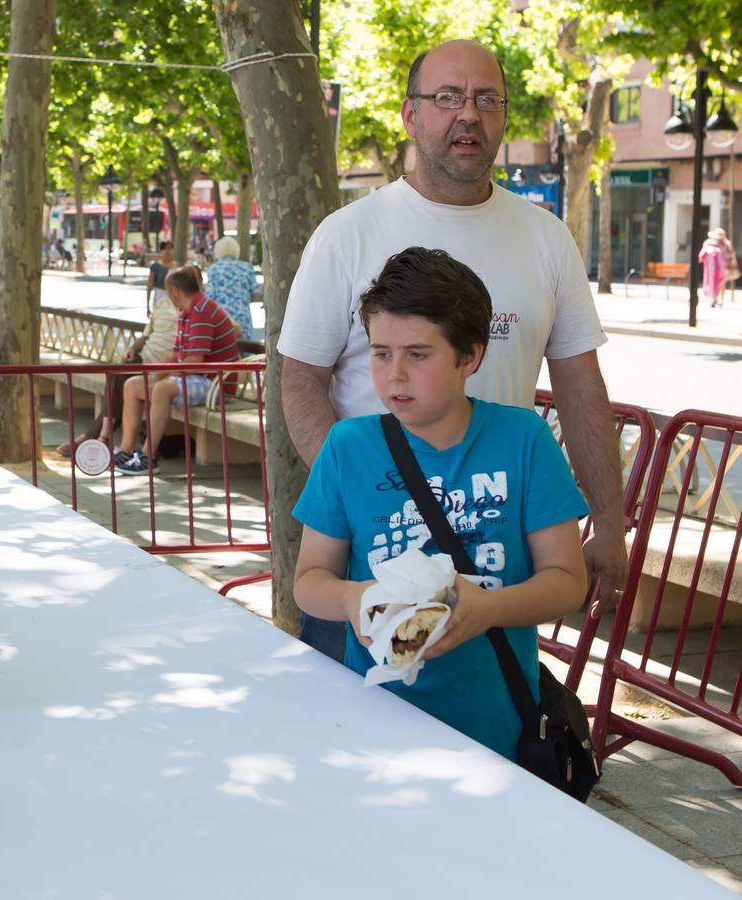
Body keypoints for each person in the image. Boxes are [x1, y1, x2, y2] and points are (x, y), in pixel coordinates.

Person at [278, 39, 623, 662]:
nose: (468, 114)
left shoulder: (547, 238)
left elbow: (581, 386)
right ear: (410, 115)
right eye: (446, 98)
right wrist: (355, 501)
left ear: (504, 116)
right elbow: (300, 380)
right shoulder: (347, 234)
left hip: (496, 560)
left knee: (483, 726)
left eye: (486, 99)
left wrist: (608, 520)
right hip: (367, 562)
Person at [292, 246, 588, 760]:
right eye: (380, 353)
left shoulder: (524, 440)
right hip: (372, 725)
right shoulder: (347, 446)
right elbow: (309, 581)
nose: (394, 375)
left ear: (469, 355)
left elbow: (567, 582)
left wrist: (488, 608)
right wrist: (351, 600)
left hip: (495, 730)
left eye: (418, 354)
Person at [114, 266, 240, 475]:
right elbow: (176, 355)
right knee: (132, 385)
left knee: (162, 389)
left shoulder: (202, 311)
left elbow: (194, 361)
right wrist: (158, 375)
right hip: (195, 377)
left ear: (175, 291)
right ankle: (126, 450)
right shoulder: (186, 313)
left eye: (166, 290)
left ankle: (148, 457)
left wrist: (162, 378)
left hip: (215, 384)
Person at [57, 257, 180, 457]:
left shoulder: (193, 310)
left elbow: (232, 329)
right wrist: (132, 349)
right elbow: (146, 335)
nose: (169, 292)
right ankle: (100, 439)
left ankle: (97, 439)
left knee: (120, 378)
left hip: (163, 366)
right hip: (145, 358)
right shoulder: (163, 304)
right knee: (117, 373)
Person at [204, 235, 261, 341]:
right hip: (243, 317)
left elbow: (209, 296)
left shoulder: (214, 269)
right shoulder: (247, 267)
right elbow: (256, 294)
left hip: (221, 318)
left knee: (225, 351)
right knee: (245, 351)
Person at [699, 228, 734, 308]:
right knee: (713, 283)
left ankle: (721, 300)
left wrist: (730, 266)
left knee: (721, 284)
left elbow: (731, 255)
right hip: (712, 268)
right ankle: (714, 299)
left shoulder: (726, 244)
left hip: (724, 268)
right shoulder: (709, 242)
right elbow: (703, 253)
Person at [145, 241, 173, 313]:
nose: (168, 251)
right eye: (165, 249)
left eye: (170, 248)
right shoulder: (155, 267)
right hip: (159, 298)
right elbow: (149, 287)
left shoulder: (177, 267)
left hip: (173, 299)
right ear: (161, 251)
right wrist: (148, 306)